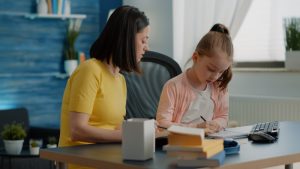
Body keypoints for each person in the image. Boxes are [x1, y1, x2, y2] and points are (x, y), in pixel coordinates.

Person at [59, 5, 149, 148]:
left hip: (108, 157)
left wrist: (147, 130)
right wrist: (129, 135)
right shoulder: (90, 70)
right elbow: (77, 130)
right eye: (143, 40)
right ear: (126, 38)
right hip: (81, 161)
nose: (147, 47)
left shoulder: (120, 80)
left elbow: (114, 129)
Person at [156, 23, 233, 134]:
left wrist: (216, 124)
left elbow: (223, 116)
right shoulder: (173, 86)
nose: (215, 76)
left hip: (209, 143)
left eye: (221, 72)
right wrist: (196, 127)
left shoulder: (219, 87)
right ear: (196, 57)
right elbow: (162, 124)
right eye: (211, 69)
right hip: (180, 143)